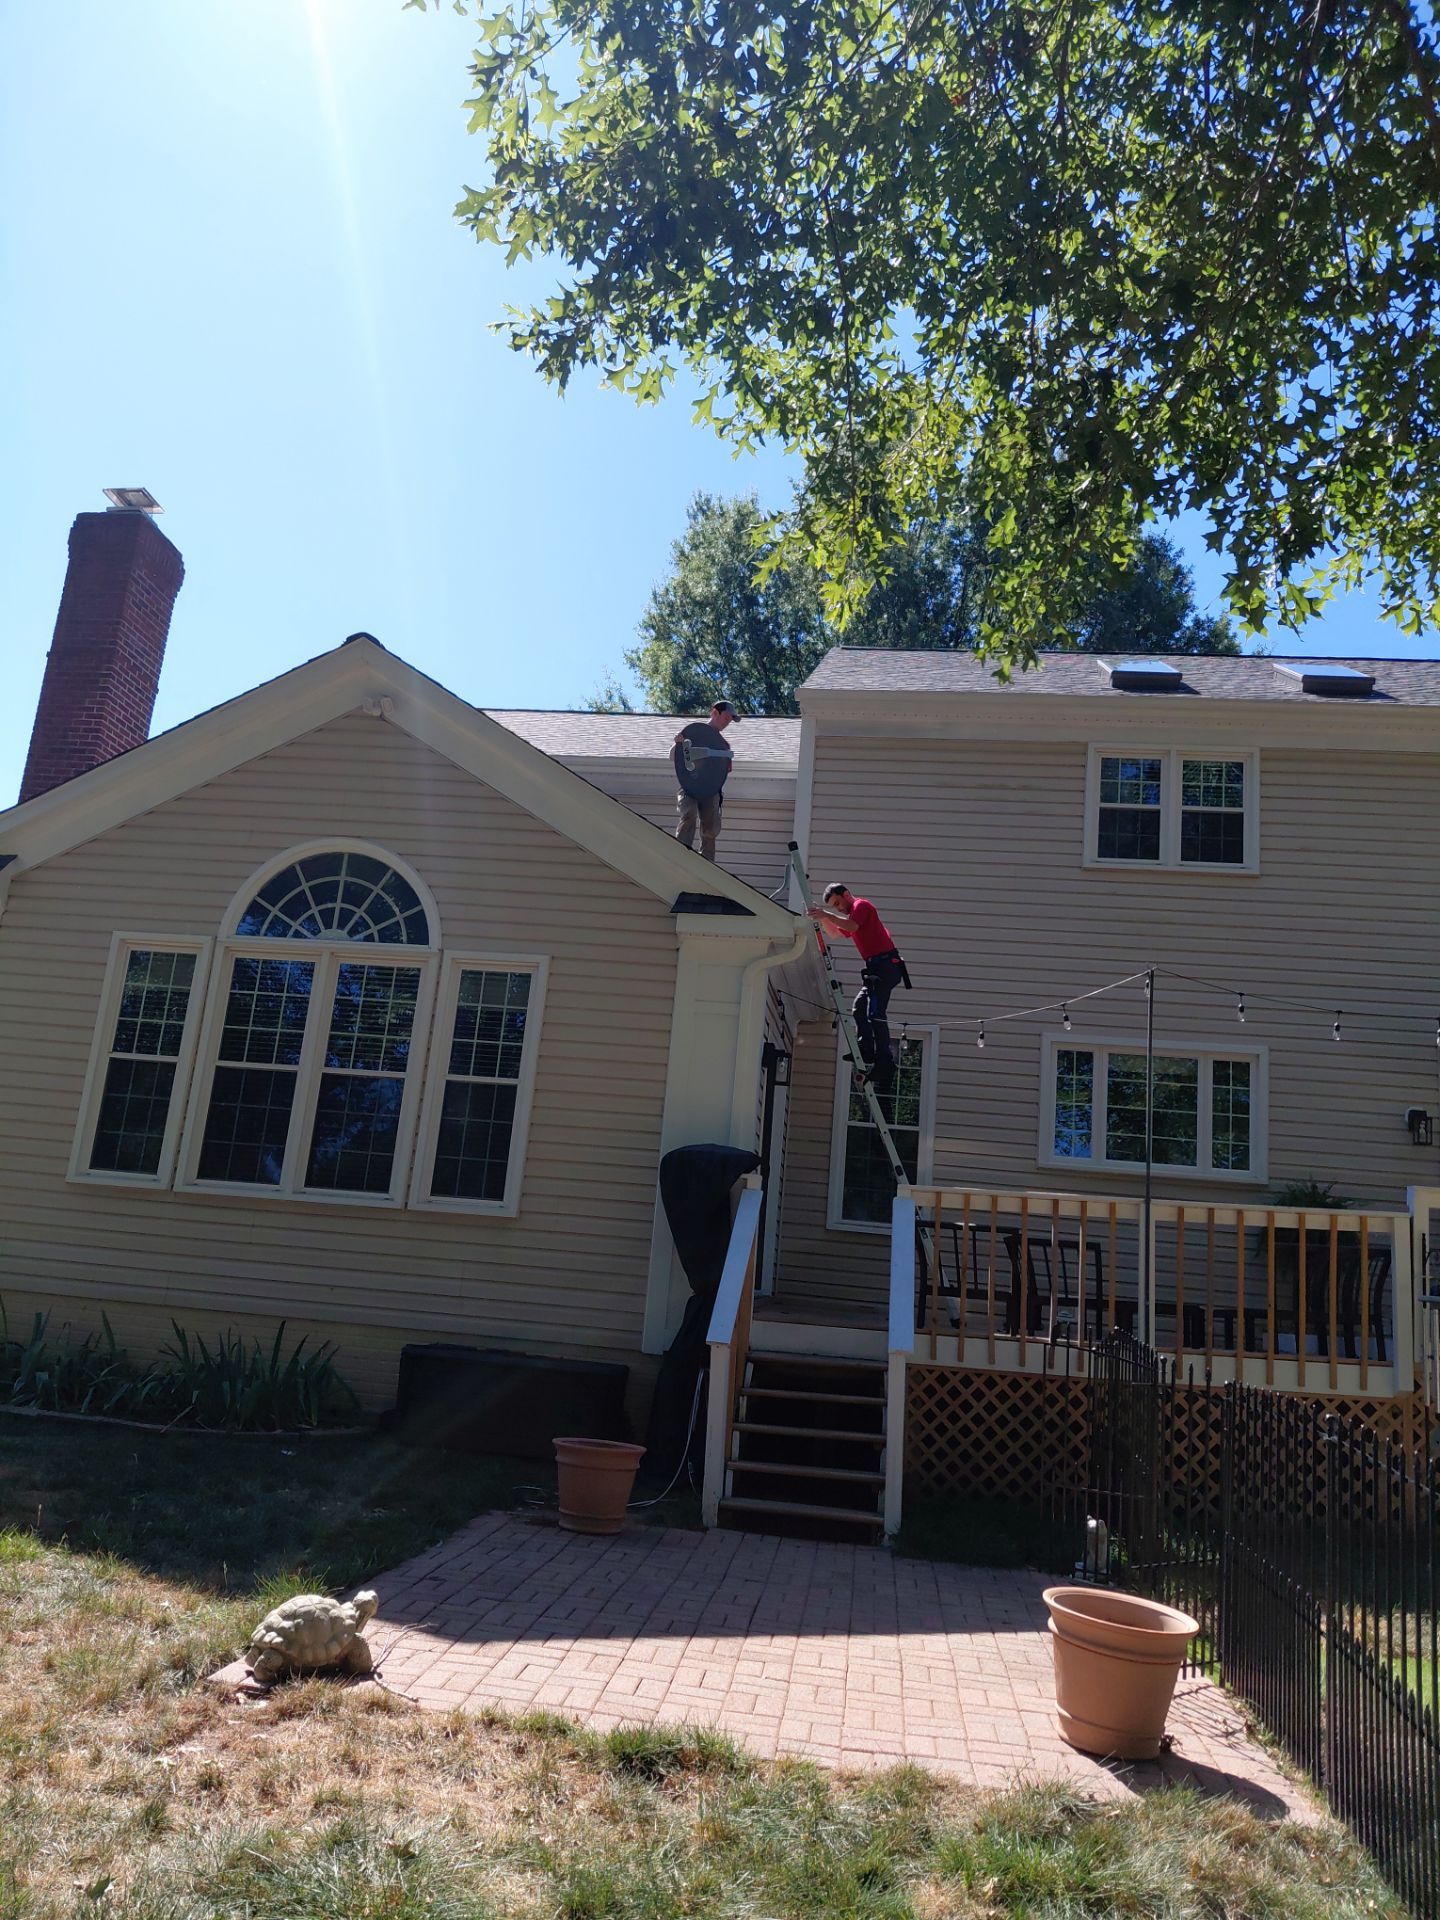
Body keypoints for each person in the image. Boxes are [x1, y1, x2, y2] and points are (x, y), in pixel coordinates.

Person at [808, 883, 910, 1095]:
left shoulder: (861, 906)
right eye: (835, 907)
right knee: (859, 1008)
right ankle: (866, 1049)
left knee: (875, 1013)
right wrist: (822, 918)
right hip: (877, 968)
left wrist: (826, 913)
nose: (839, 909)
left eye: (838, 903)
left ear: (846, 895)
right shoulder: (849, 915)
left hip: (886, 966)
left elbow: (851, 926)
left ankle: (884, 1061)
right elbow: (836, 933)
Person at [673, 700, 738, 861]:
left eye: (730, 720)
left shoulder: (723, 745)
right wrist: (678, 745)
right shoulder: (694, 734)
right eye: (726, 718)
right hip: (690, 786)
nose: (727, 722)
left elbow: (723, 771)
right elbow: (673, 757)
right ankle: (680, 855)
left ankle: (707, 863)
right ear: (714, 713)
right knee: (689, 812)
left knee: (710, 827)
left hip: (711, 789)